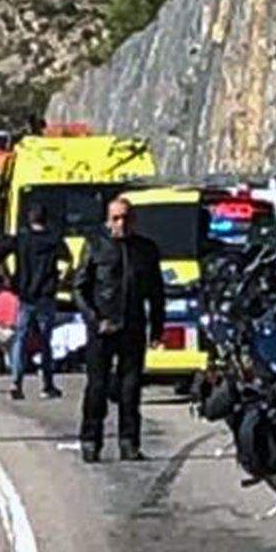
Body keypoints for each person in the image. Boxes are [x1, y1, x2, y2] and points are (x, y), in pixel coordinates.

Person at [74, 197, 164, 463]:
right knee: (97, 388)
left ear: (133, 220)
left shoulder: (146, 250)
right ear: (107, 220)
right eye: (115, 218)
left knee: (130, 389)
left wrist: (157, 328)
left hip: (133, 328)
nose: (120, 224)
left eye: (125, 218)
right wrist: (94, 319)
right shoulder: (95, 245)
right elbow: (79, 288)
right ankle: (90, 440)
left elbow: (156, 293)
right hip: (102, 329)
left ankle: (129, 442)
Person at [0, 203, 70, 400]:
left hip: (25, 293)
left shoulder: (21, 239)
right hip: (46, 294)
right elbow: (67, 261)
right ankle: (47, 385)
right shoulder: (54, 240)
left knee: (20, 338)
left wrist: (8, 276)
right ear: (46, 219)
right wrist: (59, 280)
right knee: (45, 341)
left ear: (29, 219)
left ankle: (16, 382)